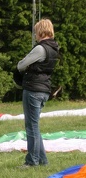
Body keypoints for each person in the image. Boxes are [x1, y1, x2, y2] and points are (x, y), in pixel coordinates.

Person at [16, 18, 59, 167]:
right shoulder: (54, 48)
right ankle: (42, 160)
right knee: (35, 125)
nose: (35, 35)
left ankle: (32, 161)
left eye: (36, 32)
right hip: (44, 89)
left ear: (41, 31)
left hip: (33, 89)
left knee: (31, 126)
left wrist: (21, 66)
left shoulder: (40, 48)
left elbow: (21, 65)